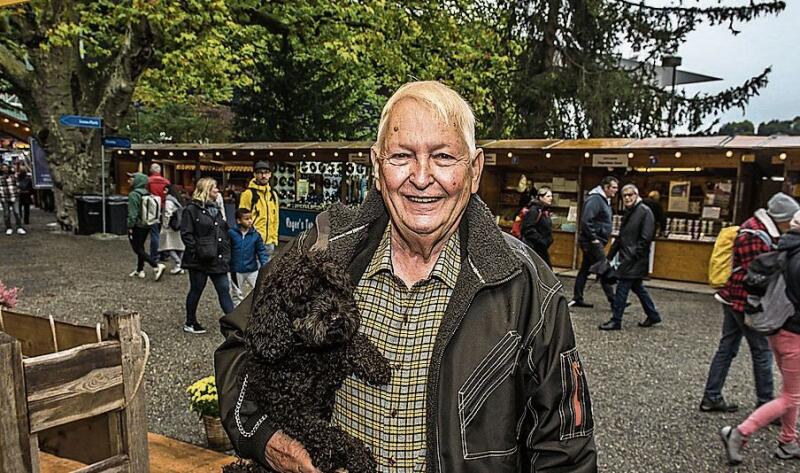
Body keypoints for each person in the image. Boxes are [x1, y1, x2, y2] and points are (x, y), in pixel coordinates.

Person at [215, 81, 596, 472]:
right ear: (378, 168)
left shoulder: (528, 286)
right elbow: (241, 345)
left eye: (444, 156)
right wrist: (268, 440)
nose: (421, 176)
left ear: (475, 170)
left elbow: (564, 451)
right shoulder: (323, 246)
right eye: (402, 156)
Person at [699, 192, 799, 413]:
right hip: (746, 301)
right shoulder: (757, 234)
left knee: (727, 347)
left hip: (732, 297)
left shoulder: (753, 227)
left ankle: (711, 396)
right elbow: (758, 274)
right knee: (761, 352)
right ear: (781, 218)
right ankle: (766, 405)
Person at [720, 208, 800, 464]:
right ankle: (740, 432)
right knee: (791, 396)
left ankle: (788, 441)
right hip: (795, 334)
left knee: (792, 391)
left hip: (779, 330)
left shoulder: (786, 249)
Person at [599, 184, 661, 331]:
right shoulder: (631, 212)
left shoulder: (645, 212)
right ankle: (653, 315)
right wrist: (609, 257)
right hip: (629, 258)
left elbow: (645, 239)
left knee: (622, 289)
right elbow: (621, 237)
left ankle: (616, 320)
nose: (627, 198)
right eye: (625, 195)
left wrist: (632, 258)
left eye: (630, 195)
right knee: (638, 288)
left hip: (634, 260)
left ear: (637, 195)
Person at [180, 177, 234, 334]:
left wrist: (225, 251)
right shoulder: (191, 209)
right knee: (196, 290)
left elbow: (222, 232)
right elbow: (186, 233)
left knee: (224, 289)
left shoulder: (216, 209)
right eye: (215, 188)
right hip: (199, 260)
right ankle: (190, 322)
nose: (218, 190)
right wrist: (198, 250)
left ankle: (233, 323)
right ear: (206, 190)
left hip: (217, 259)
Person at [570, 176, 618, 308]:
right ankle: (614, 301)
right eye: (613, 187)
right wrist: (594, 238)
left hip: (595, 241)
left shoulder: (603, 200)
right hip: (592, 242)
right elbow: (586, 220)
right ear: (606, 187)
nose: (615, 191)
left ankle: (577, 297)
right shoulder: (595, 199)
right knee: (603, 268)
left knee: (585, 269)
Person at [126, 172, 166, 280]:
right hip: (146, 224)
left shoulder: (134, 195)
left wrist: (129, 226)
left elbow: (133, 213)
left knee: (137, 248)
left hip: (137, 225)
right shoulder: (147, 193)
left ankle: (156, 265)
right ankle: (140, 269)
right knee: (141, 246)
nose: (128, 180)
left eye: (131, 178)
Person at [238, 161, 278, 263]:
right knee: (253, 276)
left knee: (266, 275)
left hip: (269, 243)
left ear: (270, 174)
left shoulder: (273, 194)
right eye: (260, 172)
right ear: (255, 174)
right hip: (253, 242)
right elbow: (242, 219)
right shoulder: (248, 194)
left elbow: (275, 219)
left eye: (266, 172)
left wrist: (274, 238)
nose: (263, 175)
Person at [228, 208, 268, 306]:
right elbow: (227, 250)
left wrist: (266, 265)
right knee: (236, 294)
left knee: (259, 291)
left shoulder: (255, 235)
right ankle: (236, 315)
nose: (250, 221)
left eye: (250, 218)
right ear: (238, 220)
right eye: (246, 219)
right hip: (236, 270)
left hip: (252, 269)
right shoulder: (231, 233)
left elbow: (261, 251)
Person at [521, 186, 554, 267]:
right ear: (541, 197)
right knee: (545, 271)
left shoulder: (543, 210)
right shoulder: (534, 210)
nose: (551, 198)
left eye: (551, 196)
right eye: (548, 196)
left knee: (545, 271)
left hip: (541, 248)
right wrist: (541, 241)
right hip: (534, 247)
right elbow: (528, 228)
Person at [159, 184, 185, 274]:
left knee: (168, 246)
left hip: (171, 226)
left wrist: (165, 225)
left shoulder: (169, 200)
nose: (163, 192)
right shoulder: (179, 199)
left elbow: (167, 213)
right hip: (179, 225)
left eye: (164, 190)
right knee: (180, 247)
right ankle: (181, 265)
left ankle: (178, 263)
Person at [147, 163, 170, 262]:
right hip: (164, 207)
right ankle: (164, 254)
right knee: (164, 232)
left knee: (154, 233)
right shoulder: (166, 182)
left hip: (153, 208)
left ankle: (154, 256)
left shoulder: (148, 181)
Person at [0, 163, 25, 235]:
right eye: (3, 168)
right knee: (6, 214)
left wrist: (18, 191)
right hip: (4, 197)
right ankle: (8, 227)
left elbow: (18, 182)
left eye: (6, 168)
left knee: (17, 212)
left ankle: (19, 227)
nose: (5, 169)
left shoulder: (13, 176)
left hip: (14, 197)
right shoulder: (1, 177)